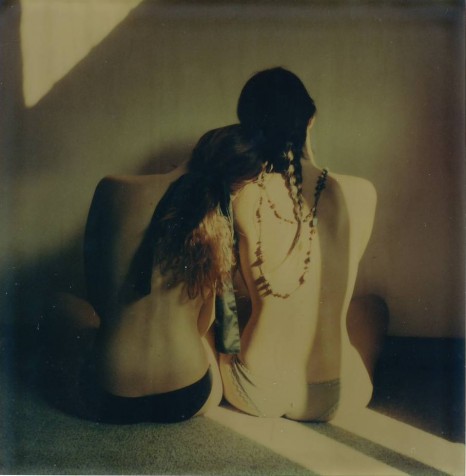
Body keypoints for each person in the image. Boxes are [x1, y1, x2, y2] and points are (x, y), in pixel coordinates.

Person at [218, 67, 389, 421]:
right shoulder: (362, 193)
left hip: (258, 390)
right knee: (372, 308)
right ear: (311, 119)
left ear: (246, 128)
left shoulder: (239, 193)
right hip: (338, 395)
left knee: (234, 311)